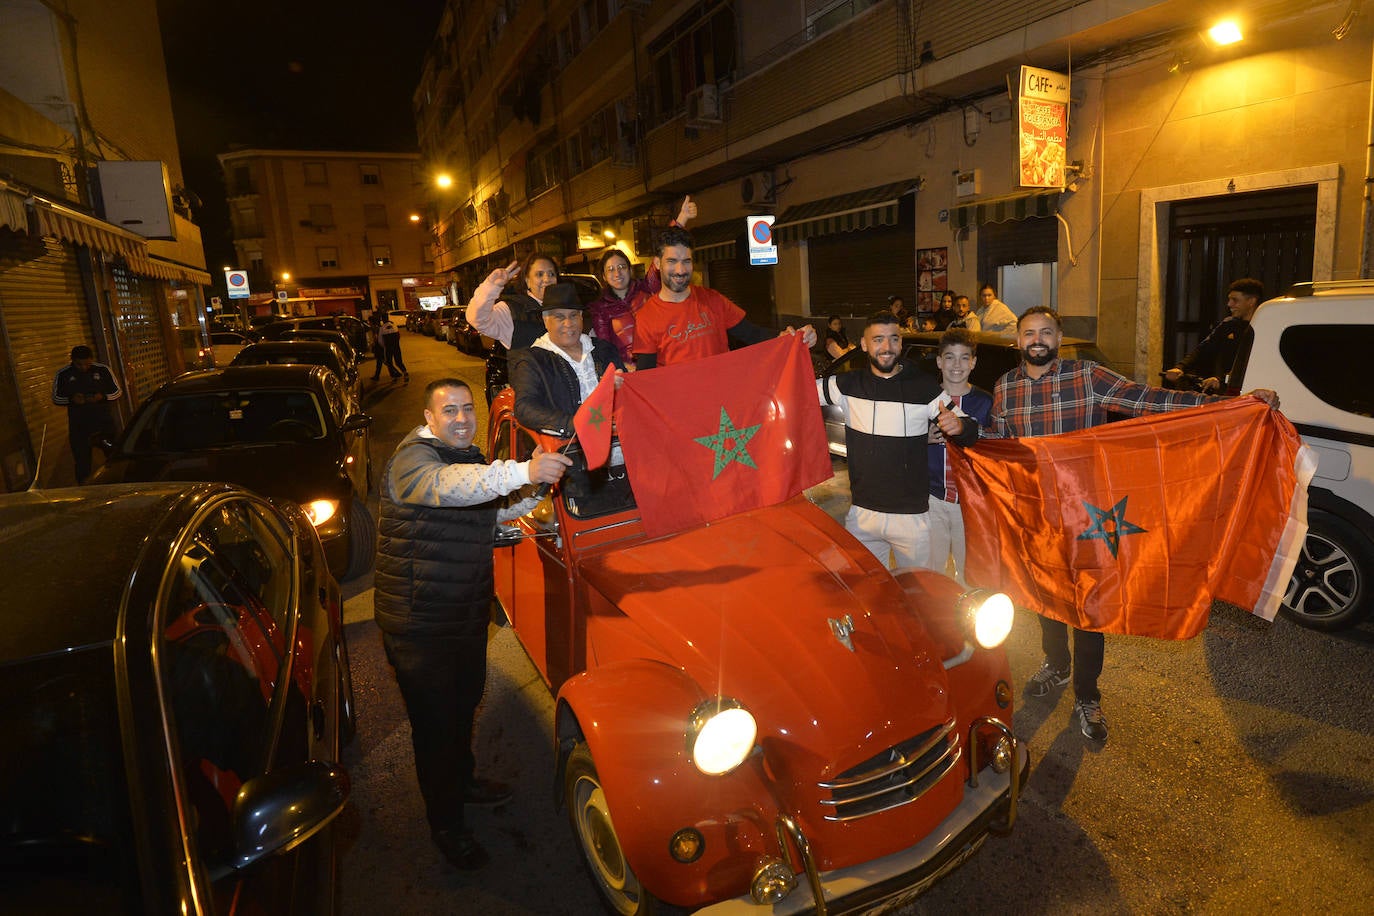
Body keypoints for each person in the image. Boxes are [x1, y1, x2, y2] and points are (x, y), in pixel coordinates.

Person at [989, 306, 1278, 742]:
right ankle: (1056, 666)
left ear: (1059, 335)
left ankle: (1088, 694)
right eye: (1029, 333)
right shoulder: (1005, 387)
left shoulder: (1087, 376)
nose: (1037, 339)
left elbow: (1150, 400)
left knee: (1089, 607)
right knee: (1041, 594)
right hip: (1037, 515)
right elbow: (998, 444)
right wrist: (962, 437)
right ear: (1017, 340)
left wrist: (1235, 404)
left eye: (1046, 331)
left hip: (1088, 515)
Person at [372, 378, 572, 870]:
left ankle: (464, 783)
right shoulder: (413, 463)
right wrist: (522, 467)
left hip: (461, 614)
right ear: (428, 418)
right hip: (420, 624)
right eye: (450, 411)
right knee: (436, 728)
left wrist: (533, 489)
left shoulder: (464, 457)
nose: (462, 418)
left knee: (462, 709)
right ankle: (447, 826)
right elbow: (451, 490)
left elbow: (487, 512)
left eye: (467, 409)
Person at [819, 311, 977, 568]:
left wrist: (959, 425)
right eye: (878, 339)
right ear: (863, 344)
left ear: (901, 343)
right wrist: (795, 347)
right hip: (862, 516)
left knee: (919, 596)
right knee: (869, 595)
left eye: (893, 339)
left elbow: (972, 428)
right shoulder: (846, 385)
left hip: (911, 518)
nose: (887, 347)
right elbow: (797, 389)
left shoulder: (924, 388)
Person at [633, 227, 817, 368]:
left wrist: (790, 338)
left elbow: (752, 334)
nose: (680, 270)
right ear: (657, 263)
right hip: (679, 410)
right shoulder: (646, 317)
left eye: (686, 261)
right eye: (672, 261)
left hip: (723, 406)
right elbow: (646, 377)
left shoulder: (712, 299)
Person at [589, 196, 697, 366]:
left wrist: (682, 218)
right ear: (603, 276)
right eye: (610, 269)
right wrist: (622, 366)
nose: (617, 273)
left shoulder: (647, 288)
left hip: (664, 362)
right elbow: (605, 347)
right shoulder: (600, 310)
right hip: (630, 372)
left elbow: (663, 255)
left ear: (630, 269)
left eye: (622, 267)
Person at [508, 282, 624, 435]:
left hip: (617, 441)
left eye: (574, 315)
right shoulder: (532, 361)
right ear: (546, 320)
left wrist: (622, 386)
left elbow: (628, 396)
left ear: (582, 318)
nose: (569, 324)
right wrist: (575, 424)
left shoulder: (604, 350)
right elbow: (525, 408)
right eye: (559, 317)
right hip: (568, 450)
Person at [927, 328, 993, 581]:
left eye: (964, 357)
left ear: (973, 362)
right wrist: (922, 440)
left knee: (970, 573)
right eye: (950, 357)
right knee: (934, 572)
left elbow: (994, 447)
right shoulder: (925, 399)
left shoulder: (985, 402)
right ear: (939, 361)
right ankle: (937, 619)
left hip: (971, 502)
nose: (957, 365)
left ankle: (966, 621)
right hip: (933, 499)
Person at [1164, 278, 1264, 393]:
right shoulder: (1228, 324)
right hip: (1228, 391)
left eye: (1235, 300)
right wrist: (1180, 367)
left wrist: (1220, 379)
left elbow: (1253, 364)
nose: (1229, 304)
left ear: (1251, 301)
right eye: (1229, 299)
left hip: (1254, 390)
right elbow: (1203, 349)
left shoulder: (1263, 328)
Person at [466, 252, 564, 351]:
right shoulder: (511, 310)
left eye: (551, 274)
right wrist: (490, 287)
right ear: (527, 281)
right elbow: (477, 319)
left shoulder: (567, 307)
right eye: (539, 274)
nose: (547, 279)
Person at [51, 344, 121, 483]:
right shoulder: (64, 374)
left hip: (103, 426)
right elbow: (56, 398)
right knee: (82, 464)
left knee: (113, 458)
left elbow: (117, 392)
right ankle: (84, 491)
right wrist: (72, 399)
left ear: (91, 360)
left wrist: (103, 397)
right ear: (72, 360)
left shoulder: (103, 370)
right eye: (79, 364)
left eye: (87, 364)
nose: (83, 367)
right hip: (80, 428)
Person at [379, 314, 409, 381]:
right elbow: (398, 335)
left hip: (388, 347)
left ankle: (394, 376)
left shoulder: (382, 328)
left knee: (389, 362)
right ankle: (405, 372)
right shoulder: (394, 325)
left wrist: (385, 346)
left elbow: (380, 341)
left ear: (383, 320)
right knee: (399, 361)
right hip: (396, 346)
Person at [368, 316, 390, 381]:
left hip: (378, 347)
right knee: (381, 361)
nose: (368, 322)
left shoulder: (375, 328)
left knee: (381, 361)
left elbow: (376, 337)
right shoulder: (377, 327)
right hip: (379, 347)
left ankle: (395, 372)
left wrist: (373, 344)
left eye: (369, 321)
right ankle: (377, 375)